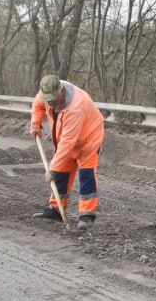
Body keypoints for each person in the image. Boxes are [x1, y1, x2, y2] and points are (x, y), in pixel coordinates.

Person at [29, 74, 105, 228]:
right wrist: (35, 125)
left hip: (89, 138)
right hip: (67, 138)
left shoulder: (76, 106)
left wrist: (52, 169)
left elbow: (68, 142)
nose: (50, 102)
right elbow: (38, 106)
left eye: (53, 99)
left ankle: (86, 216)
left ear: (61, 91)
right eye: (47, 99)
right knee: (62, 171)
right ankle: (56, 209)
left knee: (86, 174)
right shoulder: (46, 91)